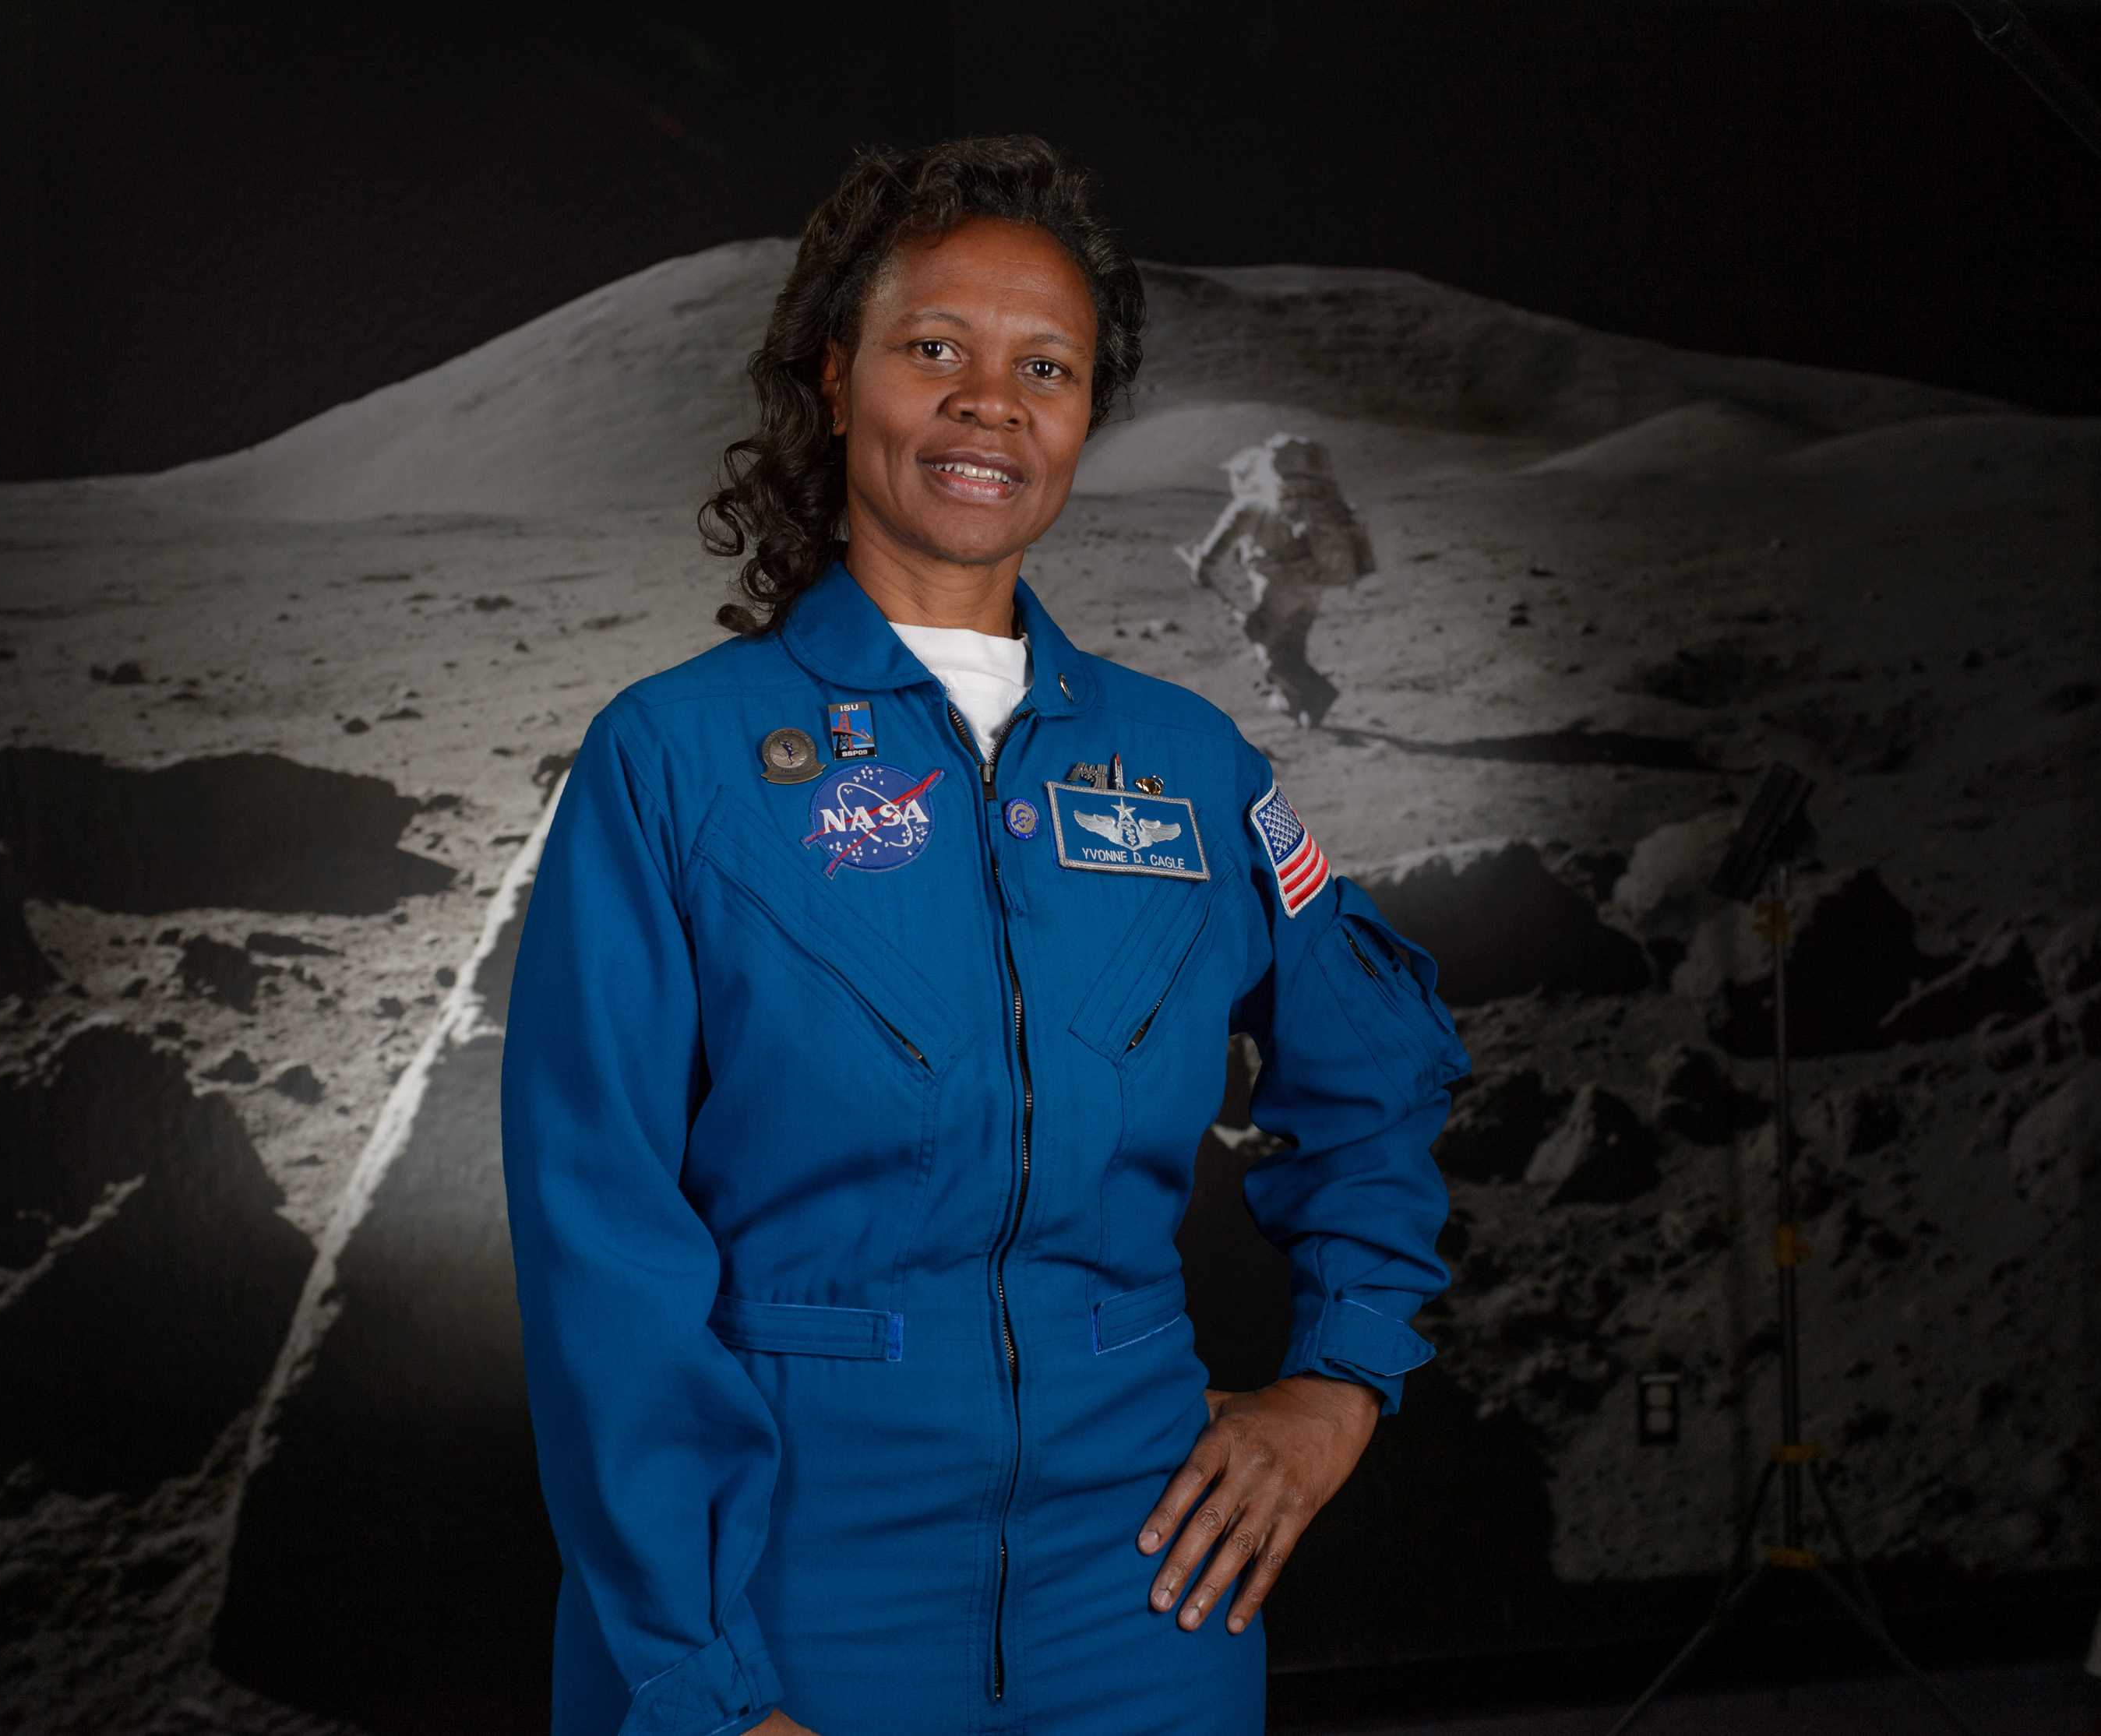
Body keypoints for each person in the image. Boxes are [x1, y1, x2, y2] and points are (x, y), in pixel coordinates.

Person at [499, 132, 1472, 1736]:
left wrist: (1337, 1381)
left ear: (1085, 417)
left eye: (1047, 366)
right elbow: (600, 1243)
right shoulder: (673, 760)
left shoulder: (1187, 766)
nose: (989, 402)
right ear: (835, 376)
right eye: (933, 348)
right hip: (787, 1588)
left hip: (1146, 1593)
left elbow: (1375, 1069)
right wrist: (703, 1679)